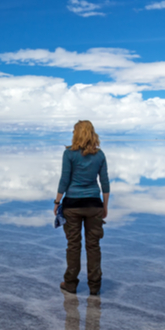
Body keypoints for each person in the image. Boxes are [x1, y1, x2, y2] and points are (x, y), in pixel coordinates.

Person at [53, 121, 109, 295]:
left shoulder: (69, 154)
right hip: (94, 205)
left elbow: (65, 179)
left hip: (73, 205)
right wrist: (104, 206)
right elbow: (105, 182)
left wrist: (57, 202)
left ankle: (70, 283)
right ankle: (94, 286)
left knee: (73, 246)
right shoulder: (99, 155)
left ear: (76, 134)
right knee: (93, 246)